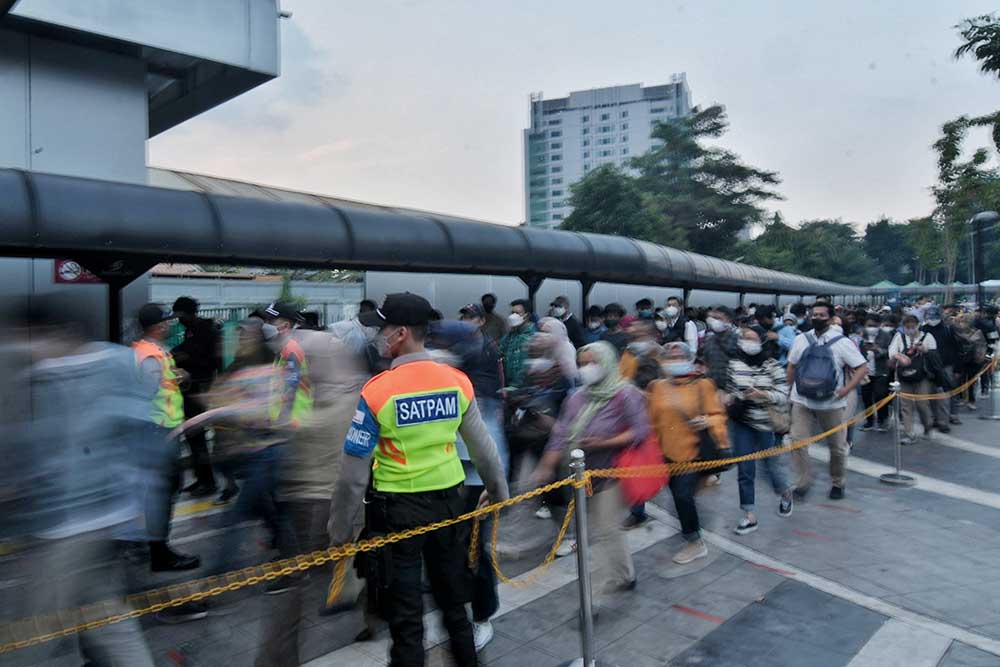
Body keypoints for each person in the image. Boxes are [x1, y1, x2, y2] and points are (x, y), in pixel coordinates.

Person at [327, 293, 509, 667]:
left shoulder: (377, 390)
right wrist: (498, 492)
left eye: (384, 329)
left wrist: (340, 531)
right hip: (449, 507)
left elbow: (352, 473)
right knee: (454, 606)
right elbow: (484, 449)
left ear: (402, 333)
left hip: (397, 514)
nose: (379, 336)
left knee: (406, 619)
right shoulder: (456, 381)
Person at [11, 296, 156, 665]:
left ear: (55, 332)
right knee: (106, 617)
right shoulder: (118, 362)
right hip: (105, 521)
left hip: (70, 527)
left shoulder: (52, 376)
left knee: (30, 635)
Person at [535, 342, 648, 603]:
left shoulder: (625, 394)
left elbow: (640, 431)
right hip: (582, 475)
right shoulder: (576, 398)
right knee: (606, 528)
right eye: (582, 363)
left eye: (592, 363)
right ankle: (625, 574)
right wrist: (546, 465)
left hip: (614, 474)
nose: (587, 369)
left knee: (604, 528)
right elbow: (560, 434)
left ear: (607, 363)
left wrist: (603, 443)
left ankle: (597, 595)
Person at [131, 303, 201, 571]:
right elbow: (145, 394)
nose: (171, 325)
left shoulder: (148, 351)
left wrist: (177, 376)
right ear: (158, 326)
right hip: (158, 433)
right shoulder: (150, 356)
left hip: (161, 432)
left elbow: (159, 385)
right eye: (168, 322)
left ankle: (152, 545)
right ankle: (159, 553)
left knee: (161, 490)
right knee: (164, 491)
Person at [648, 342, 729, 564]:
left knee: (682, 495)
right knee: (678, 494)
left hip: (693, 453)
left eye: (679, 357)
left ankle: (695, 541)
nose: (674, 361)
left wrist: (707, 420)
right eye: (670, 358)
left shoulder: (703, 385)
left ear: (689, 359)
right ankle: (700, 492)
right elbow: (651, 419)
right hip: (666, 453)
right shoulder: (657, 387)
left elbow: (718, 415)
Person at [786, 302, 868, 500]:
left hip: (831, 403)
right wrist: (788, 393)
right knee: (797, 442)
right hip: (802, 400)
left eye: (822, 315)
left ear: (831, 319)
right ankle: (802, 482)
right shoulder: (800, 340)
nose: (817, 318)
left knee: (838, 447)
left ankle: (838, 482)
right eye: (814, 314)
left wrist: (846, 390)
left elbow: (862, 367)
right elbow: (791, 367)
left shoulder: (842, 342)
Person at [725, 328, 794, 535]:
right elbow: (729, 389)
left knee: (771, 467)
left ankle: (785, 494)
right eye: (745, 338)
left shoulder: (772, 366)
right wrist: (731, 397)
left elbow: (783, 394)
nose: (748, 342)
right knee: (745, 470)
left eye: (753, 339)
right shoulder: (734, 364)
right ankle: (749, 515)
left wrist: (761, 394)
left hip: (766, 424)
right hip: (742, 422)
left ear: (762, 342)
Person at [171, 296, 221, 498]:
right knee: (193, 438)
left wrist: (181, 357)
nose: (178, 319)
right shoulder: (193, 330)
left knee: (197, 438)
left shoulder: (206, 331)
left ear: (190, 313)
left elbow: (200, 357)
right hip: (192, 390)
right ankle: (201, 479)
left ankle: (208, 483)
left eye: (180, 315)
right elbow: (184, 350)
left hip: (200, 389)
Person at [889, 315, 938, 446]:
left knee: (922, 404)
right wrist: (899, 356)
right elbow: (892, 352)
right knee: (906, 406)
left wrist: (924, 350)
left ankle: (928, 426)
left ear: (918, 325)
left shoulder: (927, 337)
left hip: (922, 376)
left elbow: (934, 355)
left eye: (912, 326)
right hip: (904, 376)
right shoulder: (899, 337)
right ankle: (909, 433)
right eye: (907, 327)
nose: (910, 329)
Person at [922, 305, 961, 430]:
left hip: (945, 366)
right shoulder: (921, 330)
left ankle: (943, 421)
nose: (932, 319)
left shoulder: (948, 330)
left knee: (944, 394)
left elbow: (957, 349)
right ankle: (934, 418)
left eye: (934, 316)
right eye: (930, 317)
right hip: (927, 367)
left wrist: (957, 368)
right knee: (930, 394)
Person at [859, 315, 893, 432]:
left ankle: (882, 419)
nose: (871, 328)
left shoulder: (886, 335)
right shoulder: (862, 335)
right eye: (869, 326)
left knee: (880, 395)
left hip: (881, 370)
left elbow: (890, 351)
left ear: (879, 325)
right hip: (865, 370)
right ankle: (869, 421)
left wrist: (877, 349)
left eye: (874, 326)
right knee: (866, 397)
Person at [499, 298, 535, 389]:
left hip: (527, 388)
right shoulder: (509, 336)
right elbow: (499, 353)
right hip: (509, 387)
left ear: (527, 315)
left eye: (517, 313)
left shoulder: (535, 336)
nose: (513, 316)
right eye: (512, 313)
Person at [701, 306, 739, 391]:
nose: (715, 321)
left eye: (719, 318)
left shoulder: (738, 339)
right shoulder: (709, 340)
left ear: (729, 320)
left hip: (733, 389)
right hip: (712, 387)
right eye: (713, 318)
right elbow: (705, 361)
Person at [538, 316, 580, 384]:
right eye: (542, 332)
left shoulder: (566, 348)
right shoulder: (548, 347)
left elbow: (570, 373)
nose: (543, 336)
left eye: (547, 333)